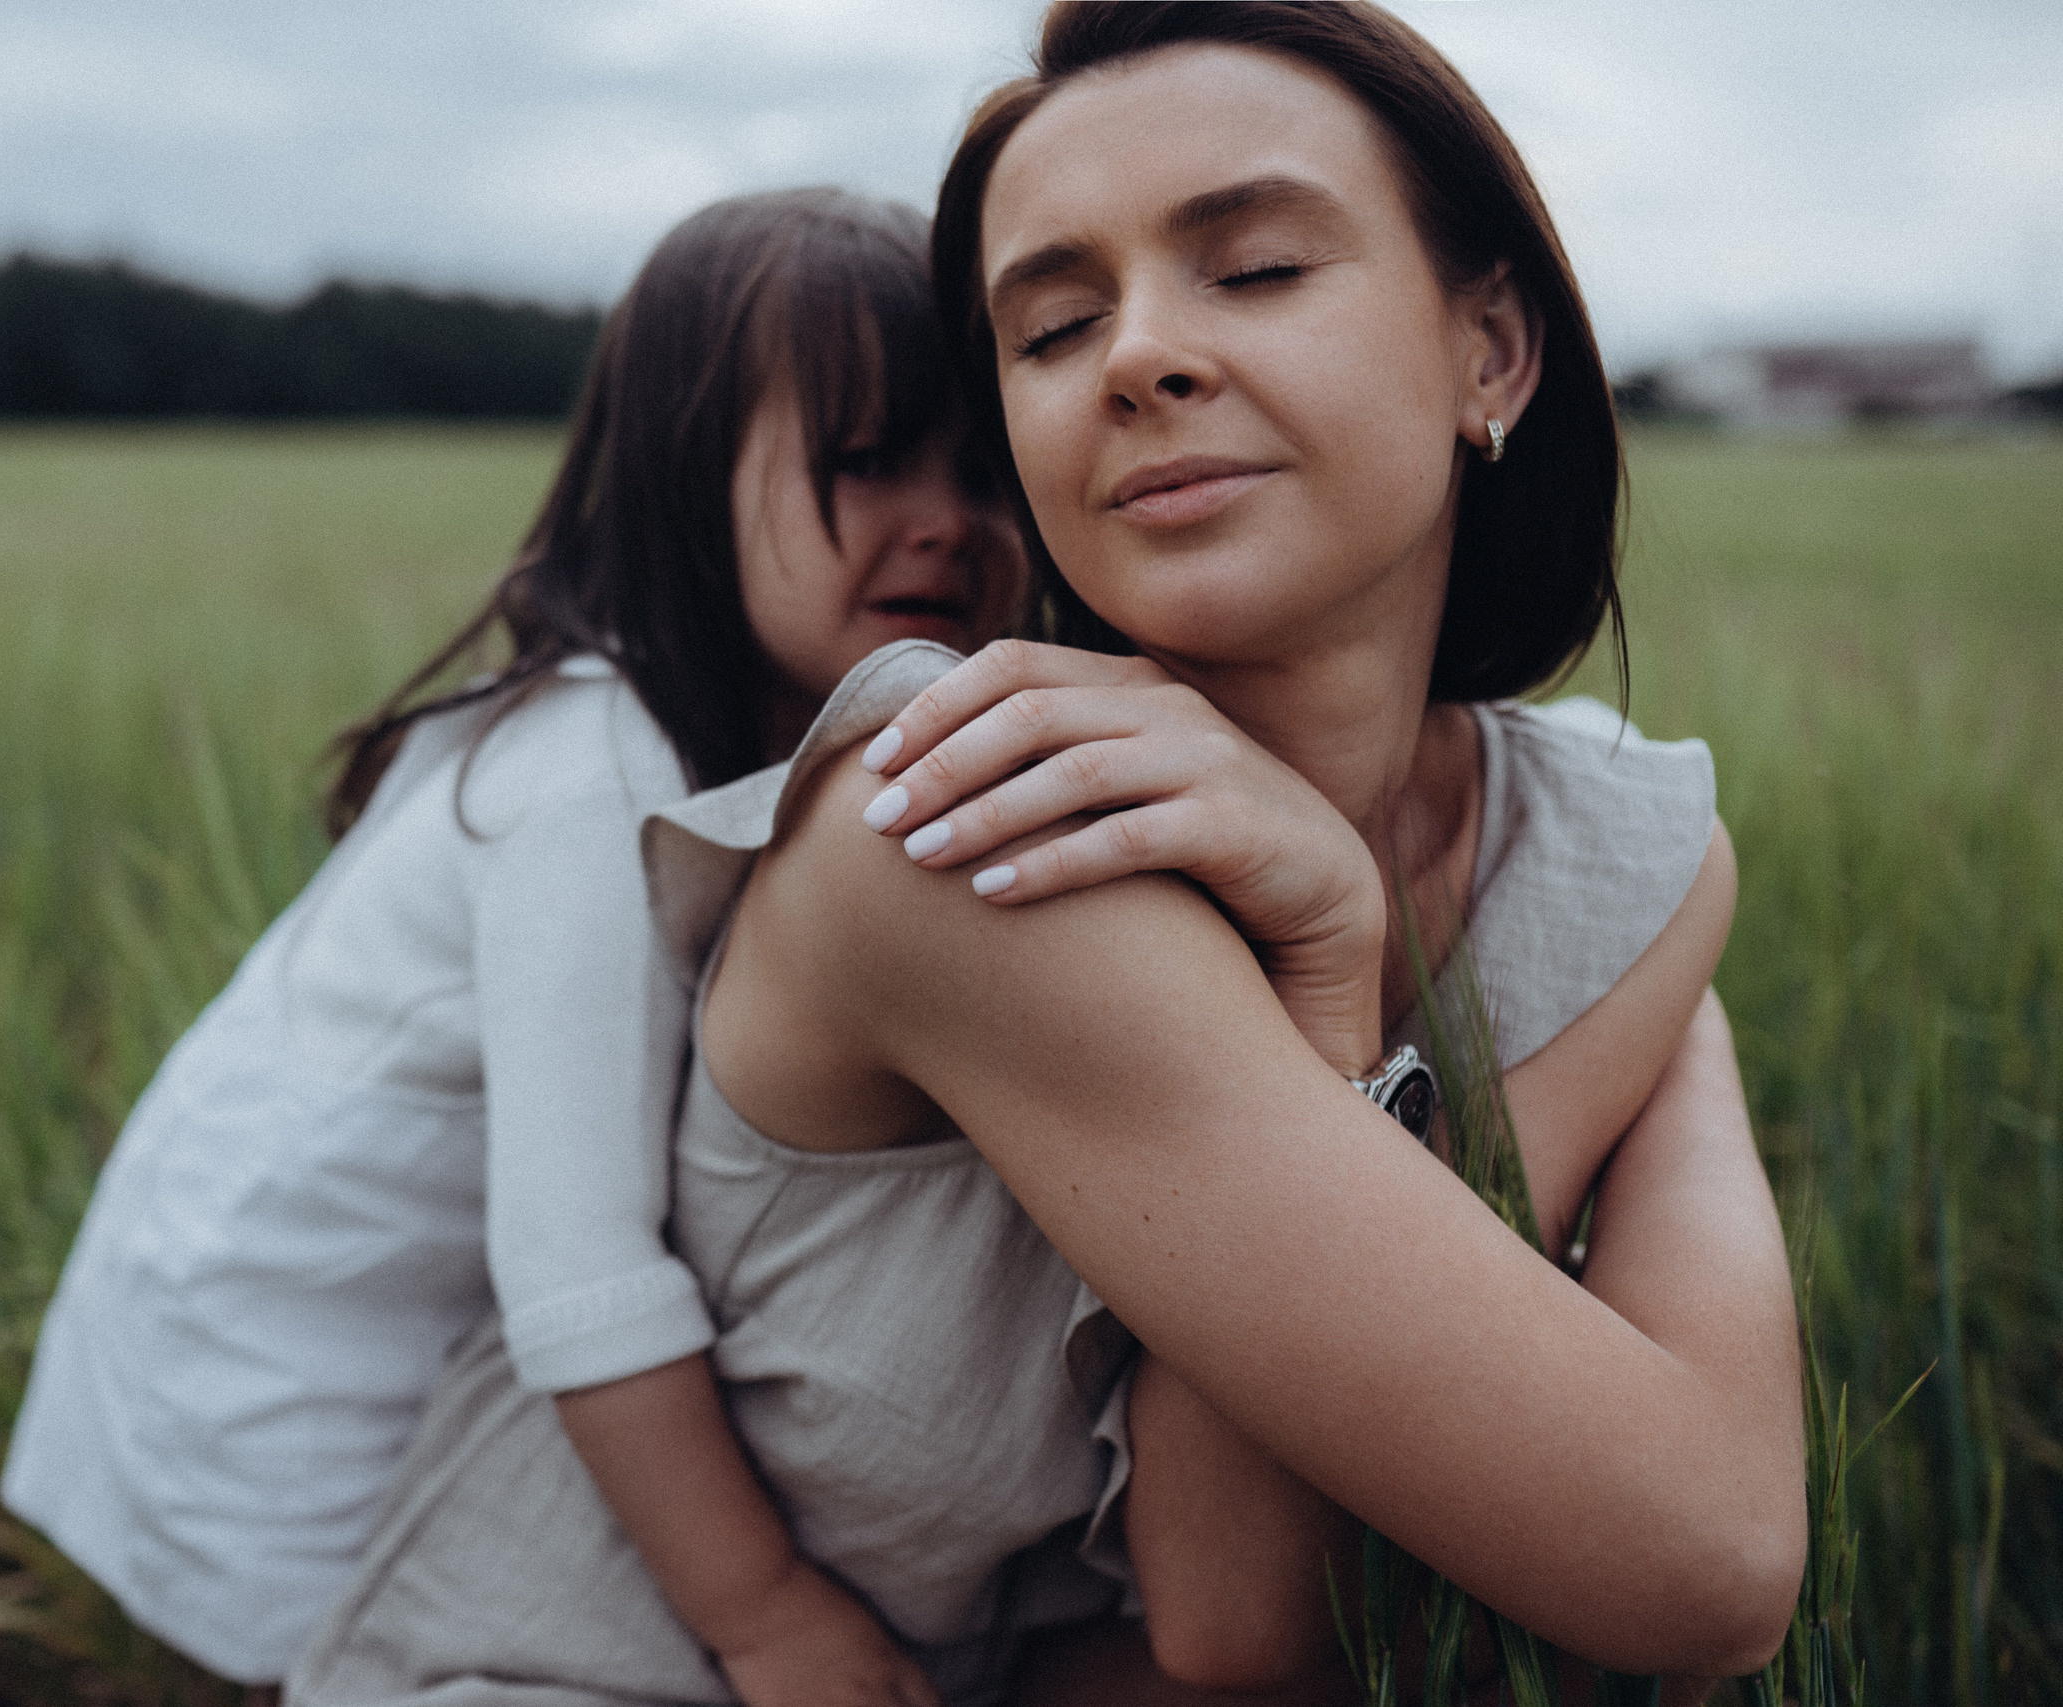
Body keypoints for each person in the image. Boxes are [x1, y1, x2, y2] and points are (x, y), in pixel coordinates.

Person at [292, 5, 1801, 1704]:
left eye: (1256, 269)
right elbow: (1705, 1564)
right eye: (1056, 324)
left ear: (1494, 356)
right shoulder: (970, 816)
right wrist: (1343, 970)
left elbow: (1255, 1618)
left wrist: (1658, 1009)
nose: (1135, 358)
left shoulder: (1606, 846)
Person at [0, 187, 1024, 1691]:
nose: (943, 518)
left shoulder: (729, 729)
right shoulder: (586, 770)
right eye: (866, 461)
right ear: (681, 475)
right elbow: (579, 1262)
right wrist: (766, 1614)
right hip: (272, 1397)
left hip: (346, 1346)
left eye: (979, 465)